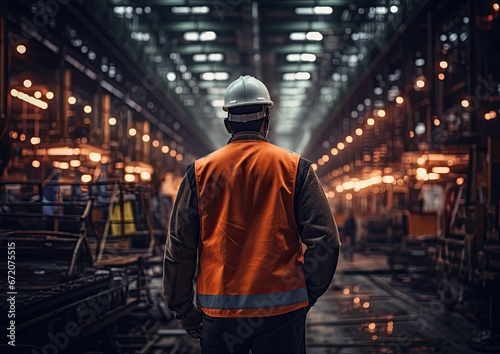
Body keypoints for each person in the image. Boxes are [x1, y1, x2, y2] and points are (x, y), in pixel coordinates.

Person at [163, 75, 341, 354]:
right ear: (266, 122)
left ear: (227, 124)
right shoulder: (296, 169)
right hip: (281, 314)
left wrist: (183, 308)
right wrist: (307, 292)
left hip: (218, 318)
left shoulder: (199, 174)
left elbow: (179, 248)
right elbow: (326, 241)